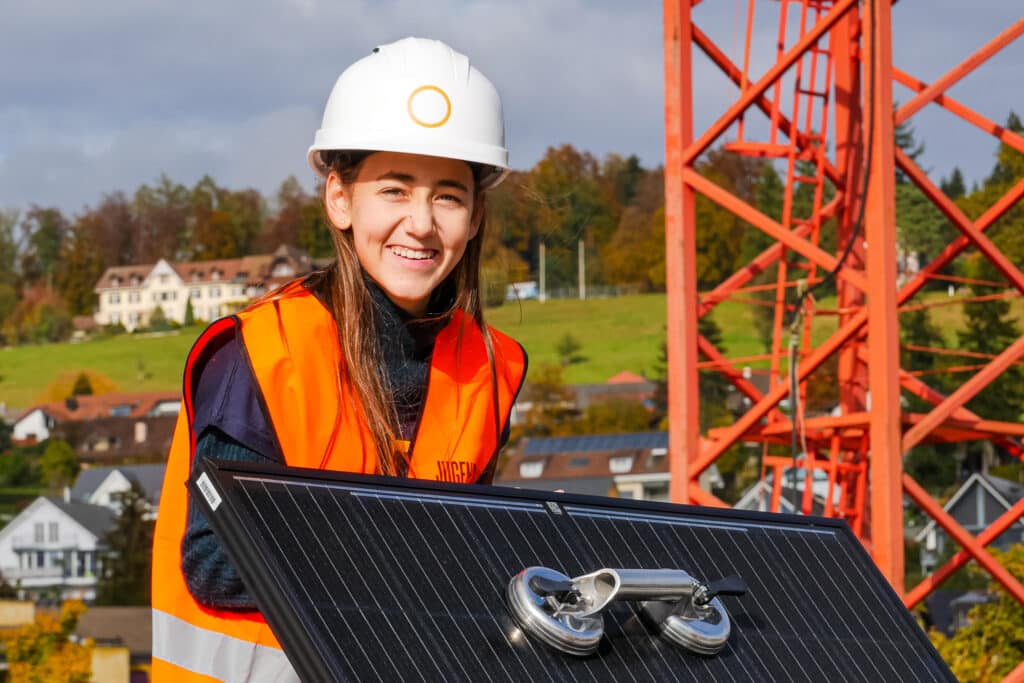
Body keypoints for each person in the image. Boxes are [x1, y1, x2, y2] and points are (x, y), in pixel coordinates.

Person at [151, 37, 527, 682]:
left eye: (447, 196)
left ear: (475, 214)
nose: (421, 223)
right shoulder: (264, 354)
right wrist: (412, 556)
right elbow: (216, 562)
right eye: (395, 190)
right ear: (340, 199)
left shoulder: (490, 370)